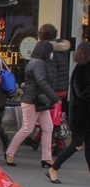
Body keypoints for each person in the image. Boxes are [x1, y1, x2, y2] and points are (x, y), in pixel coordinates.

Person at [5, 41, 60, 167]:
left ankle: (46, 157)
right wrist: (54, 97)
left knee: (46, 127)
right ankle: (10, 152)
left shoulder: (35, 62)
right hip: (34, 99)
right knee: (29, 128)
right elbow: (41, 81)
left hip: (35, 99)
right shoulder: (40, 63)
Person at [47, 41, 90, 184]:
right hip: (82, 115)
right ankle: (53, 168)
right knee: (76, 145)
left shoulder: (82, 67)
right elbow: (83, 92)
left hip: (84, 115)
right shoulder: (83, 68)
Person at [28, 24, 71, 155]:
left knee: (49, 117)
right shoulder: (61, 49)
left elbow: (52, 72)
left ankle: (60, 145)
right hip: (62, 88)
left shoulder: (49, 50)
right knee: (50, 116)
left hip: (54, 88)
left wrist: (49, 93)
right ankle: (37, 139)